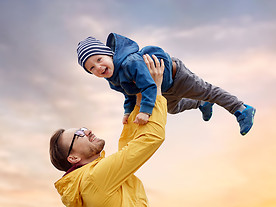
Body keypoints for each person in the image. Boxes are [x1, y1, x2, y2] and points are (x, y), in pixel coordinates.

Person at [49, 54, 166, 207]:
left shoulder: (94, 177)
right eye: (79, 134)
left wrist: (138, 102)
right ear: (73, 158)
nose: (86, 131)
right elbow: (150, 139)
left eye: (82, 128)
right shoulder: (94, 178)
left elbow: (128, 148)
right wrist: (156, 91)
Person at [77, 34, 256, 135]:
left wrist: (145, 112)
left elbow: (148, 86)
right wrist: (127, 112)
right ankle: (201, 104)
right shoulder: (112, 79)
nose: (98, 67)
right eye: (91, 68)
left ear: (109, 54)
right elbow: (129, 94)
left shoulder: (130, 62)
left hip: (176, 76)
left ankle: (241, 108)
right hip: (163, 88)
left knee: (207, 91)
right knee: (172, 108)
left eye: (99, 59)